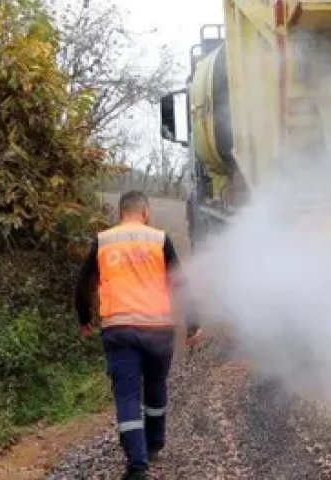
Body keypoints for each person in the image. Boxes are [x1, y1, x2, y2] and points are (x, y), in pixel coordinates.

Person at [75, 191, 202, 480]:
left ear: (120, 213)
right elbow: (180, 283)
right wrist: (193, 324)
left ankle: (137, 465)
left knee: (127, 394)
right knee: (155, 386)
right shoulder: (159, 239)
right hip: (158, 329)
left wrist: (84, 319)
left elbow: (84, 283)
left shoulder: (104, 241)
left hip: (119, 329)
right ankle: (154, 444)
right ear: (145, 212)